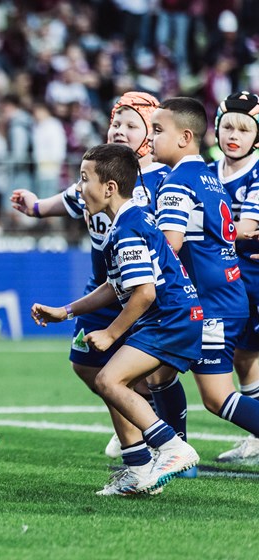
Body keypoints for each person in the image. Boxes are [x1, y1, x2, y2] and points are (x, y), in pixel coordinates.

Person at [32, 143, 202, 495]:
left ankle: (172, 448)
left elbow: (144, 293)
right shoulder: (124, 222)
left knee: (109, 379)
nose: (79, 188)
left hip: (169, 318)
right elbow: (116, 285)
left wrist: (111, 333)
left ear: (109, 188)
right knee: (109, 379)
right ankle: (140, 469)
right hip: (173, 315)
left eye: (84, 179)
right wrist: (66, 311)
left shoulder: (127, 230)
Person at [11, 92, 169, 460]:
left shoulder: (162, 180)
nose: (120, 130)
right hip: (101, 289)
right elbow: (66, 200)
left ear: (150, 132)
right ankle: (138, 423)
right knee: (84, 364)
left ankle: (152, 439)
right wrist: (34, 206)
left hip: (139, 292)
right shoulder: (98, 176)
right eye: (117, 122)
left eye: (133, 124)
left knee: (136, 376)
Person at [145, 96, 259, 470]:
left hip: (213, 304)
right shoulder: (209, 177)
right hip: (224, 295)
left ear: (185, 137)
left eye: (157, 130)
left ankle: (171, 454)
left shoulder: (178, 183)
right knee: (157, 374)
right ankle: (178, 458)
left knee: (216, 397)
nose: (150, 137)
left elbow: (169, 245)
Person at [207, 91, 259, 464]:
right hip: (228, 280)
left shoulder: (257, 174)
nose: (234, 135)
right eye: (228, 126)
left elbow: (247, 228)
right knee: (244, 357)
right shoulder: (209, 172)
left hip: (251, 277)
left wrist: (198, 227)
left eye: (244, 128)